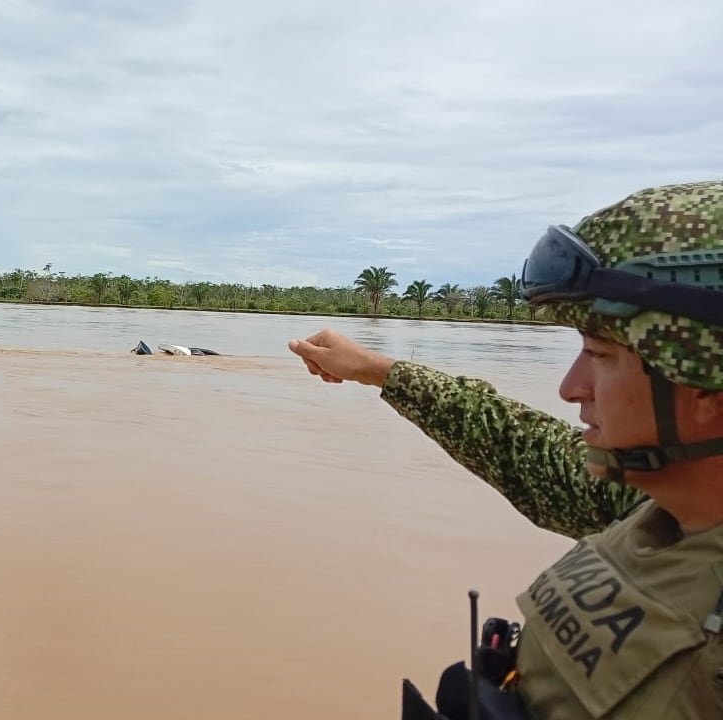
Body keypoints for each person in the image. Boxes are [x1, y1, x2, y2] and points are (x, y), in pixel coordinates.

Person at [289, 180, 723, 719]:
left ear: (703, 381)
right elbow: (519, 446)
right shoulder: (653, 511)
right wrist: (379, 371)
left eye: (602, 356)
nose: (571, 387)